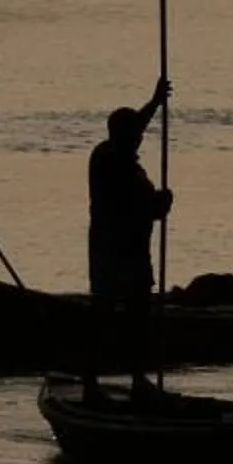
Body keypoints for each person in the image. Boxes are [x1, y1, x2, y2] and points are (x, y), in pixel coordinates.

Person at [85, 76, 173, 393]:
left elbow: (136, 125)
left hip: (121, 251)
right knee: (122, 316)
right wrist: (162, 203)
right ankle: (102, 380)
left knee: (126, 314)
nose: (140, 138)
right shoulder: (115, 164)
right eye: (135, 135)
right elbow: (142, 209)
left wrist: (155, 101)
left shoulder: (108, 154)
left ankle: (128, 378)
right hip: (119, 253)